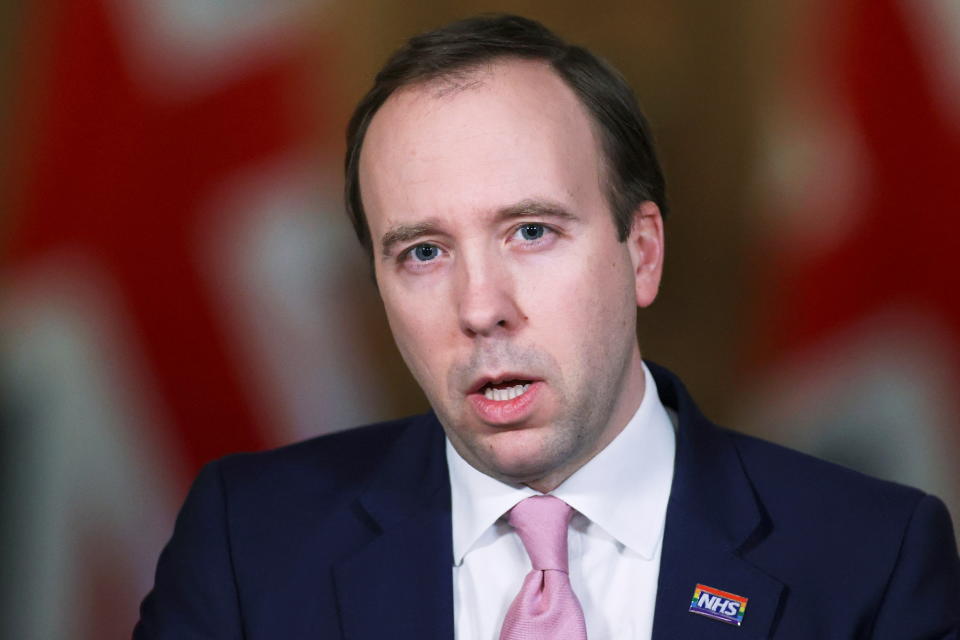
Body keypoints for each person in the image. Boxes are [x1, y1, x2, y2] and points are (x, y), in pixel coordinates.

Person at [134, 14, 960, 639]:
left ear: (641, 253)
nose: (480, 306)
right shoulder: (247, 545)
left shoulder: (873, 561)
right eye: (423, 252)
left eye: (531, 232)